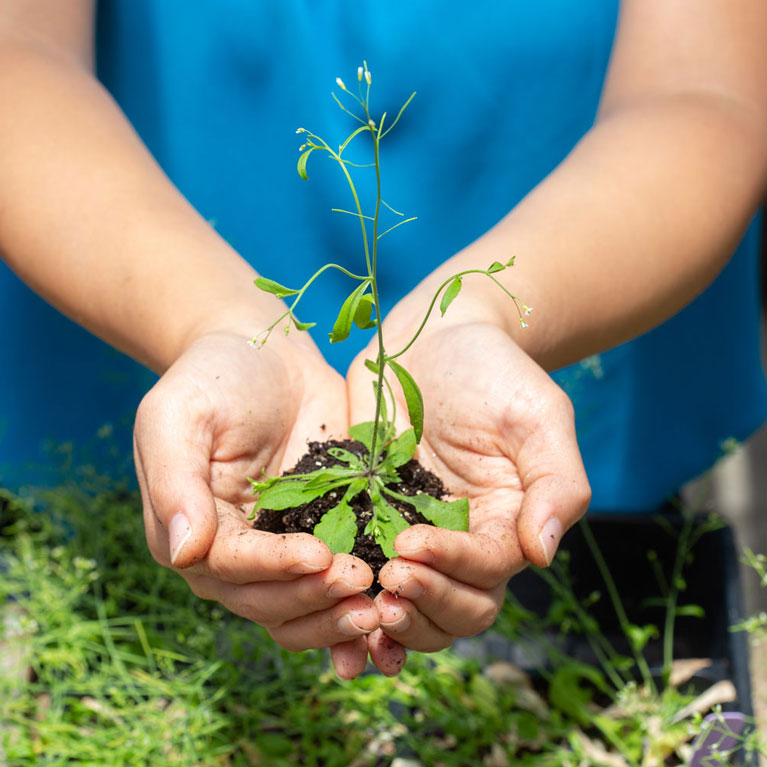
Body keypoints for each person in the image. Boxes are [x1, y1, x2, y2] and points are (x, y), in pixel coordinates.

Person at [0, 1, 764, 679]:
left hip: (571, 270)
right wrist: (215, 321)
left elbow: (704, 92)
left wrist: (476, 312)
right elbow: (18, 55)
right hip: (132, 273)